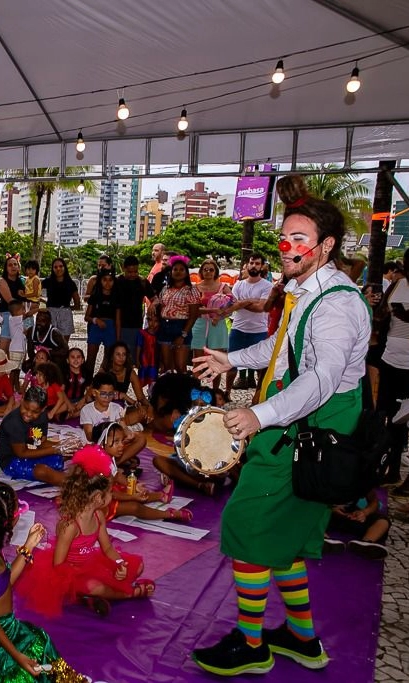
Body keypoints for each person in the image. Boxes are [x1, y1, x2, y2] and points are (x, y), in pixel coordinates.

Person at [191, 175, 370, 676]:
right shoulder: (303, 289)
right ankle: (301, 637)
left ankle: (251, 646)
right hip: (299, 420)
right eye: (283, 237)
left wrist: (257, 415)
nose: (286, 247)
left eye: (299, 240)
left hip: (307, 427)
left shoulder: (335, 304)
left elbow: (321, 378)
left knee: (245, 526)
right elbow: (282, 351)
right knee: (286, 537)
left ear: (326, 246)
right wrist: (231, 359)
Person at [0, 481, 84, 681]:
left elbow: (4, 585)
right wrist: (18, 657)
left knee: (41, 640)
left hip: (7, 625)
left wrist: (28, 546)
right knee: (21, 674)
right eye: (16, 510)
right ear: (5, 521)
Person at [16, 464, 153, 618]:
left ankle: (88, 598)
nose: (112, 495)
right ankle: (130, 594)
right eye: (109, 492)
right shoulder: (70, 526)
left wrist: (120, 564)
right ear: (97, 498)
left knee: (138, 566)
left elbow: (107, 548)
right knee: (95, 587)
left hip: (90, 563)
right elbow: (58, 565)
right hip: (69, 572)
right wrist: (82, 574)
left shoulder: (98, 515)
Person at [378, 246, 409, 492]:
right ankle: (390, 468)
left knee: (403, 419)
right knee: (388, 416)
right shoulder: (398, 285)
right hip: (390, 360)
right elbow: (383, 314)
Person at [224, 253, 273, 396]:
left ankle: (259, 394)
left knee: (261, 365)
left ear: (262, 266)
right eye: (252, 263)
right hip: (238, 328)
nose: (254, 266)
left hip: (259, 330)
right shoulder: (239, 285)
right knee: (231, 362)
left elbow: (261, 308)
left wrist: (242, 302)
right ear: (247, 264)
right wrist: (250, 301)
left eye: (257, 263)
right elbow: (232, 305)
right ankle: (227, 392)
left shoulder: (267, 286)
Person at [0, 386, 65, 485]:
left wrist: (64, 445)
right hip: (11, 461)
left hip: (29, 452)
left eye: (35, 412)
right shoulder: (13, 422)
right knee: (41, 471)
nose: (28, 414)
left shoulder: (42, 417)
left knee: (59, 459)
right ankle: (74, 484)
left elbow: (39, 443)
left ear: (43, 409)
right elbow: (21, 453)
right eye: (26, 408)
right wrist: (55, 448)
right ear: (22, 399)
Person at [151, 255, 200, 374]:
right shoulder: (165, 289)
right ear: (171, 272)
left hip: (181, 326)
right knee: (167, 367)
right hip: (164, 327)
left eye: (181, 269)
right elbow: (161, 306)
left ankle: (182, 392)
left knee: (180, 367)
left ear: (186, 272)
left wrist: (183, 335)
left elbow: (193, 316)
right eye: (175, 269)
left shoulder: (191, 290)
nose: (178, 272)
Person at [191, 259, 233, 391]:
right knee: (197, 358)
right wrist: (214, 311)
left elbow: (232, 304)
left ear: (215, 272)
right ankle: (196, 391)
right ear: (201, 272)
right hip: (200, 323)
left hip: (217, 324)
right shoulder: (196, 287)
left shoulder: (223, 287)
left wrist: (220, 316)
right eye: (205, 269)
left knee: (217, 358)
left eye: (211, 269)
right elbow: (194, 309)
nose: (208, 272)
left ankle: (215, 392)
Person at [325, 489, 390, 559]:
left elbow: (374, 501)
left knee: (382, 521)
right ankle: (323, 539)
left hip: (350, 515)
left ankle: (366, 543)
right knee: (316, 515)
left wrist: (364, 512)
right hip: (325, 512)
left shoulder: (362, 480)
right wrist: (330, 508)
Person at [115, 255, 156, 363]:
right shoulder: (117, 282)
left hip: (136, 325)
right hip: (118, 324)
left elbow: (156, 299)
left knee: (132, 359)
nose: (133, 274)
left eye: (135, 271)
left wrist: (152, 305)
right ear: (124, 269)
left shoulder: (142, 282)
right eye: (129, 272)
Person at [84, 267, 118, 374]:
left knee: (108, 359)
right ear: (100, 281)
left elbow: (118, 319)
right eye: (104, 280)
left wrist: (118, 336)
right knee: (90, 360)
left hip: (110, 328)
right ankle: (87, 384)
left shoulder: (116, 297)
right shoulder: (95, 295)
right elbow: (87, 317)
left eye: (110, 280)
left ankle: (103, 383)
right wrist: (96, 320)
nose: (107, 283)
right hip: (96, 327)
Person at [42, 257, 81, 340]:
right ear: (52, 269)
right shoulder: (47, 281)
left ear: (64, 267)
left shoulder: (71, 283)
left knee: (63, 343)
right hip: (50, 314)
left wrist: (66, 309)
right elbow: (35, 292)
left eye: (61, 266)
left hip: (65, 315)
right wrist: (44, 303)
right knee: (49, 341)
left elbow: (77, 303)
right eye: (55, 267)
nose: (58, 269)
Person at [0, 254, 26, 354]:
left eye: (15, 264)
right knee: (4, 345)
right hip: (7, 314)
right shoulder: (2, 281)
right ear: (6, 268)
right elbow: (10, 300)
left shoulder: (21, 281)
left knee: (16, 347)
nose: (13, 266)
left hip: (20, 315)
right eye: (10, 265)